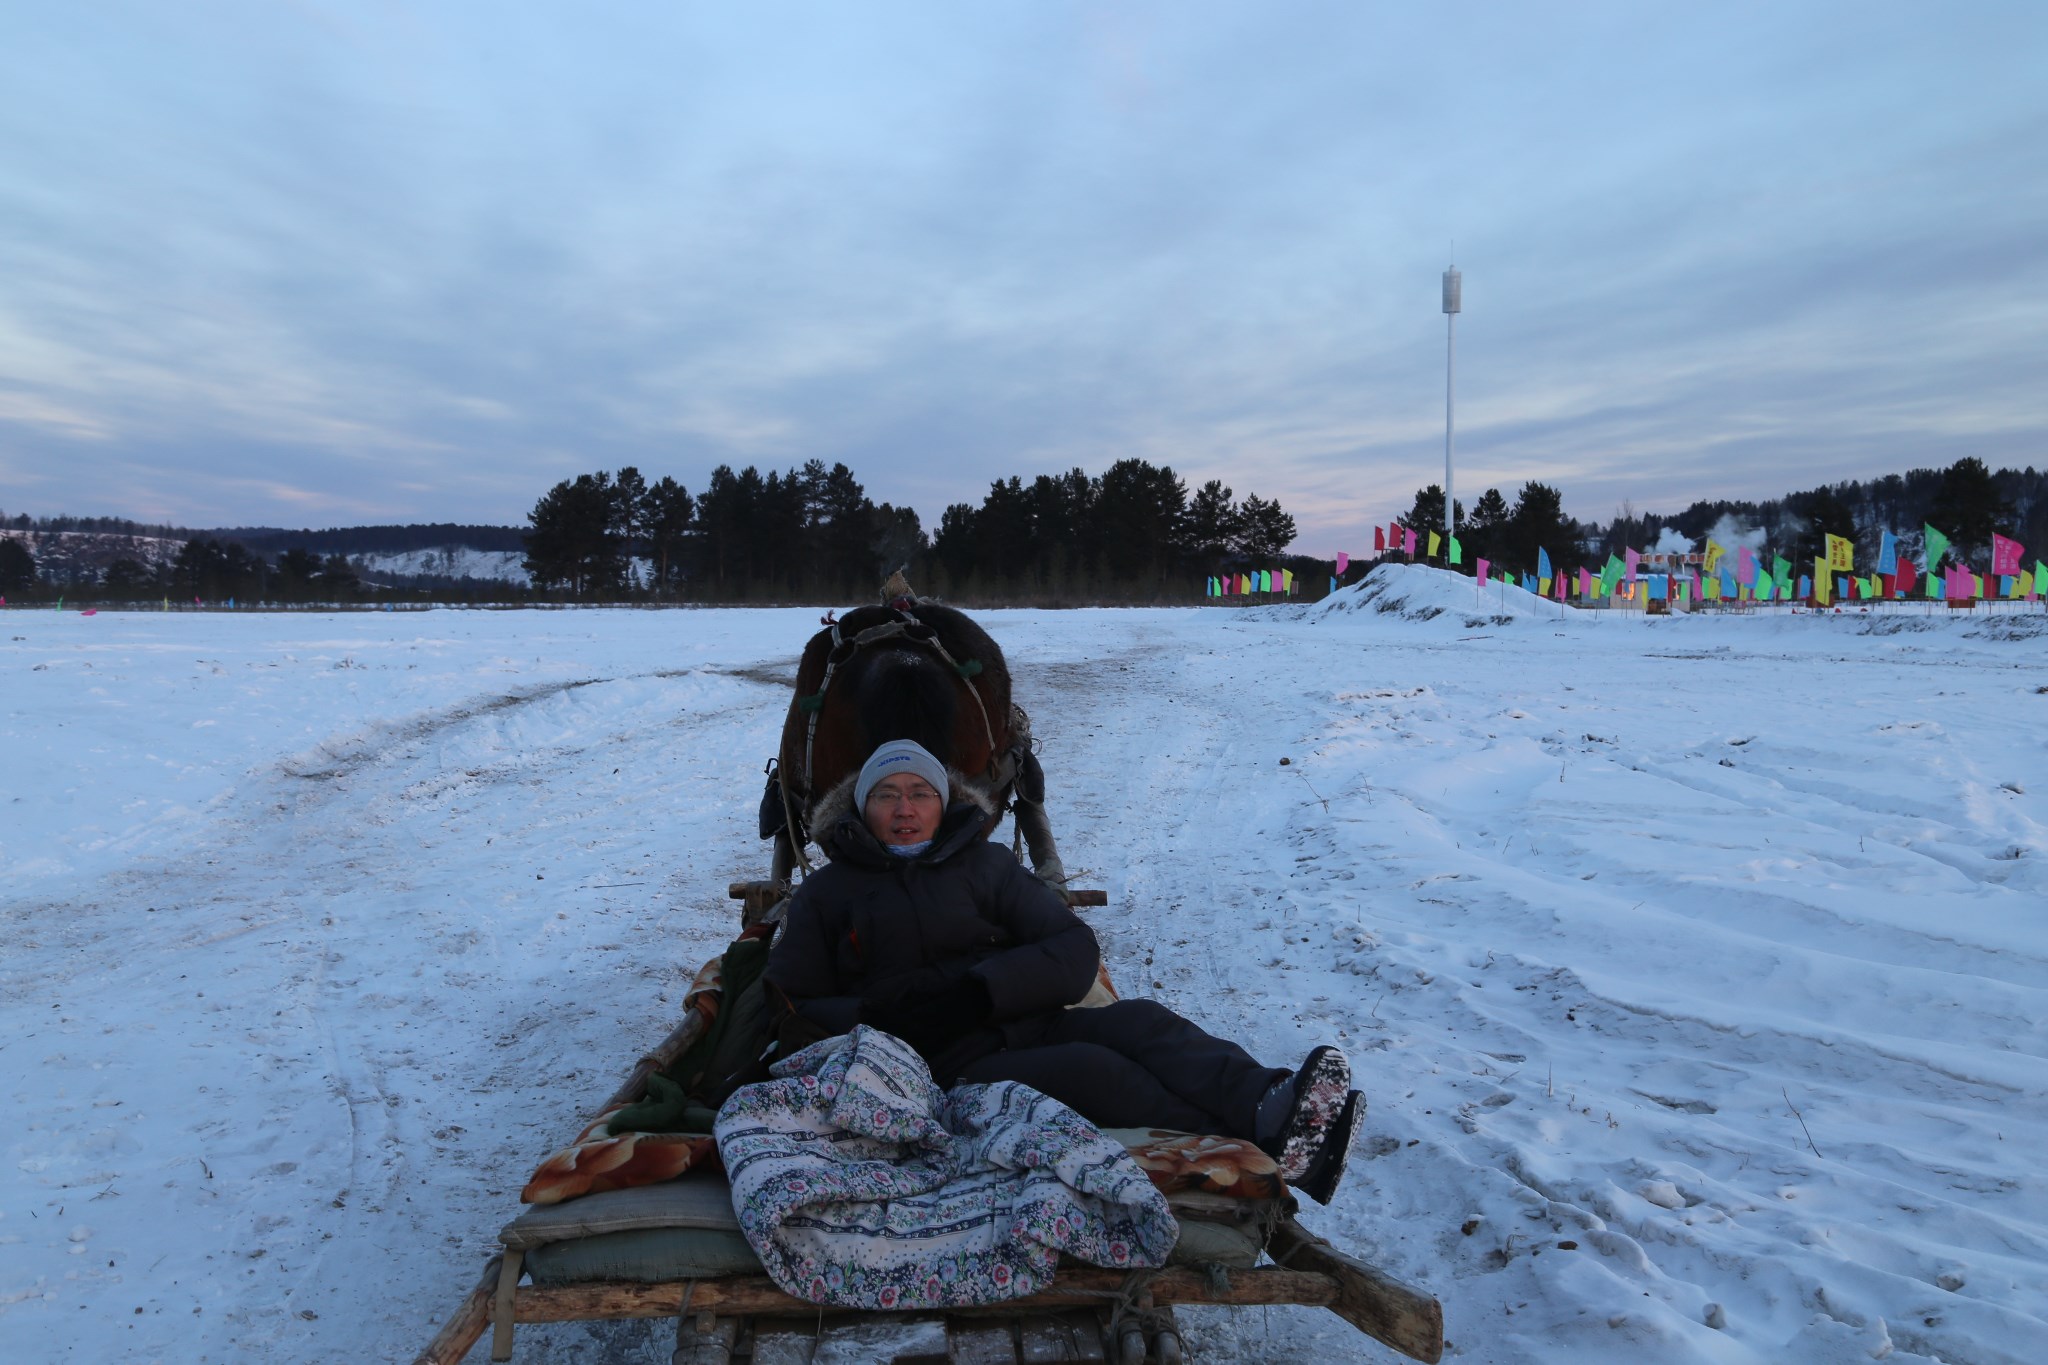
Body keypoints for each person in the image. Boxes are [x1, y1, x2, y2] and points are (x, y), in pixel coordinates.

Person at [764, 739, 1365, 1203]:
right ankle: (1256, 1150)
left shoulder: (987, 865)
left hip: (1016, 1015)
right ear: (862, 806)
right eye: (885, 794)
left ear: (942, 802)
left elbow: (1072, 946)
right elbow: (794, 999)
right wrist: (881, 1019)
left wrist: (982, 992)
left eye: (919, 792)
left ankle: (1271, 1104)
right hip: (938, 1063)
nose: (903, 809)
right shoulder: (828, 893)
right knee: (1095, 1071)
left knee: (1142, 1023)